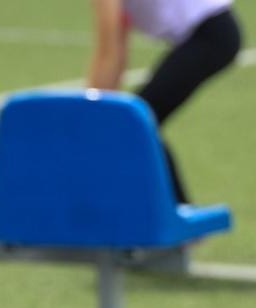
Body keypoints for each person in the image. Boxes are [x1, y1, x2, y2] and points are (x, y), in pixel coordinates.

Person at [86, 0, 242, 204]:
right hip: (212, 33)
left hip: (211, 35)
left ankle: (180, 215)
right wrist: (98, 115)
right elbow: (117, 52)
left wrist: (89, 116)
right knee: (137, 121)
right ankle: (179, 215)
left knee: (138, 122)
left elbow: (110, 52)